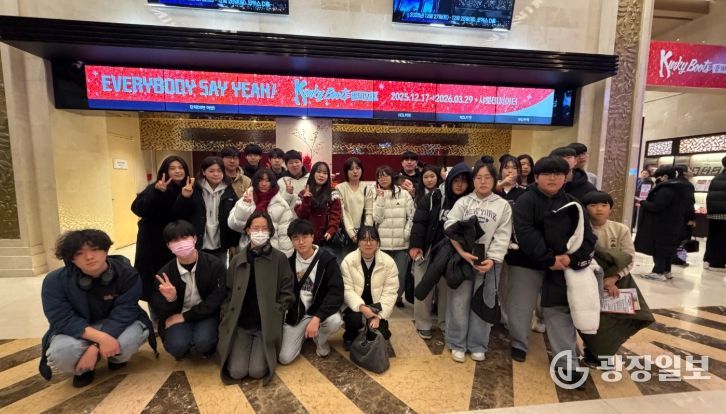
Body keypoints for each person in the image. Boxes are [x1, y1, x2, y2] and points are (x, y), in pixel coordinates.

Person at [505, 156, 596, 382]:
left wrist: (570, 259)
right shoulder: (526, 201)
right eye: (547, 173)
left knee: (559, 311)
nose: (553, 178)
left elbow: (587, 236)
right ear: (537, 177)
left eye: (558, 174)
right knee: (520, 306)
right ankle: (519, 343)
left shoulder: (574, 204)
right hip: (527, 262)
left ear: (566, 177)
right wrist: (548, 258)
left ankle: (566, 363)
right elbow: (525, 233)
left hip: (561, 266)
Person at [40, 230, 156, 388]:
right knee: (62, 353)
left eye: (94, 250)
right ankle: (84, 370)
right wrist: (101, 340)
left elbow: (126, 311)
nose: (89, 257)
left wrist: (94, 347)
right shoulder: (55, 281)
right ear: (71, 258)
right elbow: (62, 318)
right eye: (79, 253)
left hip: (117, 324)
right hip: (79, 329)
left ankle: (115, 359)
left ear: (106, 250)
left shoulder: (126, 273)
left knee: (127, 343)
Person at [444, 161, 512, 362]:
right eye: (479, 178)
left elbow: (503, 234)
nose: (483, 182)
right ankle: (457, 343)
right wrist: (462, 252)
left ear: (495, 180)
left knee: (484, 301)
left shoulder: (502, 205)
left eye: (487, 178)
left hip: (490, 263)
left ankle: (478, 344)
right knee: (459, 301)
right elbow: (450, 226)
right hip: (463, 259)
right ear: (473, 180)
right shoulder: (464, 202)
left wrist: (492, 259)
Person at [217, 211, 294, 384]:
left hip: (264, 325)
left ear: (270, 231)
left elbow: (288, 291)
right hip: (242, 325)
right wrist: (226, 313)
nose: (260, 232)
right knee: (236, 371)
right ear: (248, 230)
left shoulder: (279, 258)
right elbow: (228, 292)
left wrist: (277, 309)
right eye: (255, 228)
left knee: (257, 371)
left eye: (264, 228)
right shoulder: (237, 260)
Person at [580, 191, 654, 364]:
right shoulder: (582, 229)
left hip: (618, 280)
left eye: (604, 205)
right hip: (588, 280)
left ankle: (604, 352)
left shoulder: (620, 229)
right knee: (591, 317)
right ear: (585, 209)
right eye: (593, 205)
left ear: (610, 209)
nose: (599, 209)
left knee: (612, 318)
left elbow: (629, 257)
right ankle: (592, 350)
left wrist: (614, 277)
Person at [410, 162, 472, 338]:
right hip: (429, 249)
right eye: (456, 180)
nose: (459, 185)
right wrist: (415, 246)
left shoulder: (470, 201)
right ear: (450, 180)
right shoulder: (434, 196)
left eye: (463, 181)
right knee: (424, 285)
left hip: (453, 253)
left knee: (446, 290)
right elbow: (419, 222)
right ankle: (423, 323)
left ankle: (444, 323)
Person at [152, 220, 226, 360]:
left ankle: (205, 347)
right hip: (178, 314)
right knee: (176, 346)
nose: (181, 243)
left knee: (204, 342)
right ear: (168, 245)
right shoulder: (164, 275)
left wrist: (185, 317)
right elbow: (159, 309)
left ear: (195, 238)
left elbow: (217, 298)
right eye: (174, 240)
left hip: (206, 313)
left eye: (185, 237)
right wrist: (171, 299)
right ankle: (185, 346)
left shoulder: (214, 265)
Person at [278, 219, 344, 364]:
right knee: (284, 358)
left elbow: (336, 293)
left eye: (305, 236)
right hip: (298, 315)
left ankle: (320, 339)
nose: (301, 242)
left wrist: (317, 317)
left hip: (319, 311)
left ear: (312, 237)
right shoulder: (288, 263)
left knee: (335, 321)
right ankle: (303, 334)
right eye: (296, 238)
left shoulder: (327, 260)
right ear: (291, 241)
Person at [131, 156, 190, 305]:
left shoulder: (188, 188)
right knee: (155, 281)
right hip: (153, 243)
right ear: (165, 171)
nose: (177, 171)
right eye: (172, 168)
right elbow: (137, 208)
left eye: (180, 167)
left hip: (177, 241)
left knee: (176, 279)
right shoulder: (155, 187)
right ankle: (156, 312)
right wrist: (156, 191)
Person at [340, 226, 400, 350]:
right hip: (355, 306)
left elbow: (390, 292)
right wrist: (362, 308)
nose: (368, 243)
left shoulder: (388, 262)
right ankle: (350, 335)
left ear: (378, 242)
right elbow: (347, 290)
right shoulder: (348, 261)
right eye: (364, 239)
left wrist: (379, 316)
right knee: (354, 320)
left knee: (380, 334)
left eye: (372, 239)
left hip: (377, 306)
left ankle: (369, 331)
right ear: (358, 242)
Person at [173, 156, 240, 263]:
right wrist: (184, 197)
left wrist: (233, 243)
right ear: (204, 172)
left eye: (219, 171)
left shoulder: (229, 191)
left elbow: (235, 218)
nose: (216, 174)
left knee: (219, 271)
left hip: (220, 244)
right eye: (211, 171)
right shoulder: (194, 189)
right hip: (197, 243)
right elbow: (179, 214)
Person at [367, 165, 414, 308]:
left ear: (392, 177)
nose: (383, 179)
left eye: (386, 175)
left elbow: (412, 216)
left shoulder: (404, 194)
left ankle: (397, 298)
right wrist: (380, 199)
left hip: (401, 243)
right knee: (382, 274)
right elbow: (377, 218)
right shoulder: (374, 194)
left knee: (400, 274)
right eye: (380, 176)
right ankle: (383, 299)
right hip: (383, 244)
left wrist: (406, 233)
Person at [635, 166, 693, 280]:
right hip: (674, 223)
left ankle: (658, 271)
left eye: (658, 177)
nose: (657, 180)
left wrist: (643, 203)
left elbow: (657, 206)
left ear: (665, 176)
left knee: (659, 247)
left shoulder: (666, 189)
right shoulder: (680, 188)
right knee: (668, 248)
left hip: (661, 223)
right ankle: (666, 271)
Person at [228, 168, 295, 257]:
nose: (263, 184)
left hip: (272, 252)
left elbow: (284, 233)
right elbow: (234, 225)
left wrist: (284, 256)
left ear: (272, 183)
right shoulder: (247, 197)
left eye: (267, 181)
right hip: (248, 250)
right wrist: (245, 206)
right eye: (261, 180)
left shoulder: (281, 204)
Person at [294, 161, 342, 246]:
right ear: (313, 173)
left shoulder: (332, 193)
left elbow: (335, 215)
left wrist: (331, 230)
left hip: (326, 238)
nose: (321, 175)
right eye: (318, 172)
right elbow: (301, 215)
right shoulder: (303, 193)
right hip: (307, 237)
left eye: (325, 173)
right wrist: (306, 199)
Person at [334, 157, 368, 260]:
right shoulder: (340, 188)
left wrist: (366, 232)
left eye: (357, 168)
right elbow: (343, 212)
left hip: (364, 233)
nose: (355, 171)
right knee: (345, 262)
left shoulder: (367, 187)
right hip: (346, 233)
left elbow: (369, 211)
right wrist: (352, 234)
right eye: (351, 169)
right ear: (346, 171)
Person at [704, 156, 726, 272]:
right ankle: (717, 264)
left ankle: (707, 260)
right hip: (724, 214)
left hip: (714, 214)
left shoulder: (716, 178)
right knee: (722, 239)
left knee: (712, 238)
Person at [672, 164, 696, 267]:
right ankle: (680, 260)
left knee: (674, 238)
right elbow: (689, 203)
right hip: (684, 216)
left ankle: (672, 258)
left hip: (673, 216)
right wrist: (691, 218)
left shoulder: (672, 183)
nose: (692, 171)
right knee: (683, 239)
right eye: (690, 169)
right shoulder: (687, 185)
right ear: (684, 172)